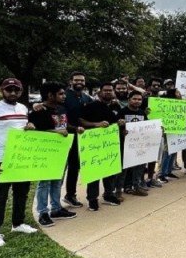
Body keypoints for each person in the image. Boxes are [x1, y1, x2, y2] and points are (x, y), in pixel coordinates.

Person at [0, 78, 39, 247]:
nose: (12, 93)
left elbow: (20, 128)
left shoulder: (22, 108)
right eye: (9, 89)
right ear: (2, 90)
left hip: (20, 158)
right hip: (2, 159)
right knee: (0, 196)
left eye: (16, 90)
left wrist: (29, 126)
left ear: (21, 91)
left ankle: (18, 223)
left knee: (21, 193)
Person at [29, 81, 83, 227]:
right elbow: (35, 133)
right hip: (46, 153)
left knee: (57, 181)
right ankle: (43, 212)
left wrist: (75, 128)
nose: (64, 96)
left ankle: (56, 209)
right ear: (50, 95)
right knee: (44, 183)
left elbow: (64, 126)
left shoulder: (61, 109)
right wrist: (55, 132)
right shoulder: (39, 111)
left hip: (61, 152)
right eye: (60, 93)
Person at [79, 82, 123, 210]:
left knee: (110, 170)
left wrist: (120, 122)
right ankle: (92, 199)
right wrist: (96, 124)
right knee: (95, 172)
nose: (108, 92)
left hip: (111, 143)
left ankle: (108, 194)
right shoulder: (91, 106)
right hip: (94, 144)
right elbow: (81, 120)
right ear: (100, 92)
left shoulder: (116, 106)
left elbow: (117, 121)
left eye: (110, 90)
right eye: (105, 90)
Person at [63, 72, 93, 208]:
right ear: (71, 81)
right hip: (66, 136)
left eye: (82, 80)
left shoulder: (87, 98)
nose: (79, 82)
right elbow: (59, 117)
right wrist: (74, 128)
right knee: (69, 167)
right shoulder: (64, 96)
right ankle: (69, 195)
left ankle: (71, 194)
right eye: (76, 80)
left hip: (84, 137)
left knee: (77, 166)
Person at [117, 90, 150, 197]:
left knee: (139, 168)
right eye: (134, 99)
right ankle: (118, 191)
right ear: (129, 100)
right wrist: (121, 129)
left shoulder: (142, 113)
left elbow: (147, 126)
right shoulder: (122, 112)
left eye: (139, 99)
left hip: (139, 145)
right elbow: (114, 128)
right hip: (125, 145)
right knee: (123, 170)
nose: (137, 101)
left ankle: (136, 187)